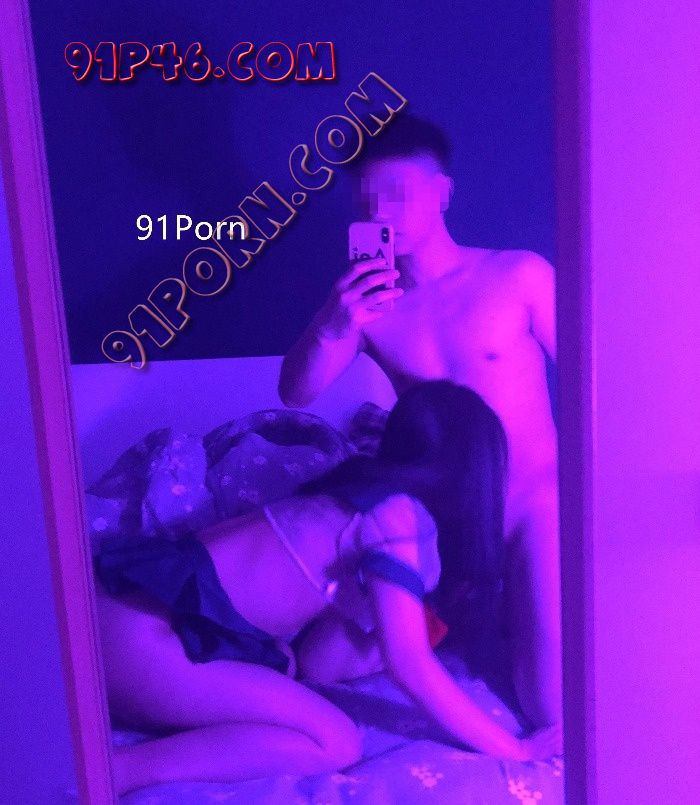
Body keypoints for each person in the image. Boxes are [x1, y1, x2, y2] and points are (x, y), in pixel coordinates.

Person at [93, 381, 561, 796]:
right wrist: (515, 748)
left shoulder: (350, 490)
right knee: (334, 740)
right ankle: (113, 772)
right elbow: (410, 663)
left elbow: (320, 663)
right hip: (140, 640)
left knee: (287, 674)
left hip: (117, 616)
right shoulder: (398, 518)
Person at [278, 114, 561, 729]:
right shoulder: (371, 307)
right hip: (440, 520)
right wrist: (334, 321)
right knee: (319, 665)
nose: (384, 213)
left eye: (399, 194)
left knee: (551, 706)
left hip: (528, 505)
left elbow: (602, 378)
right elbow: (295, 393)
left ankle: (501, 605)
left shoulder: (518, 276)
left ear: (442, 193)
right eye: (368, 201)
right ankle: (463, 610)